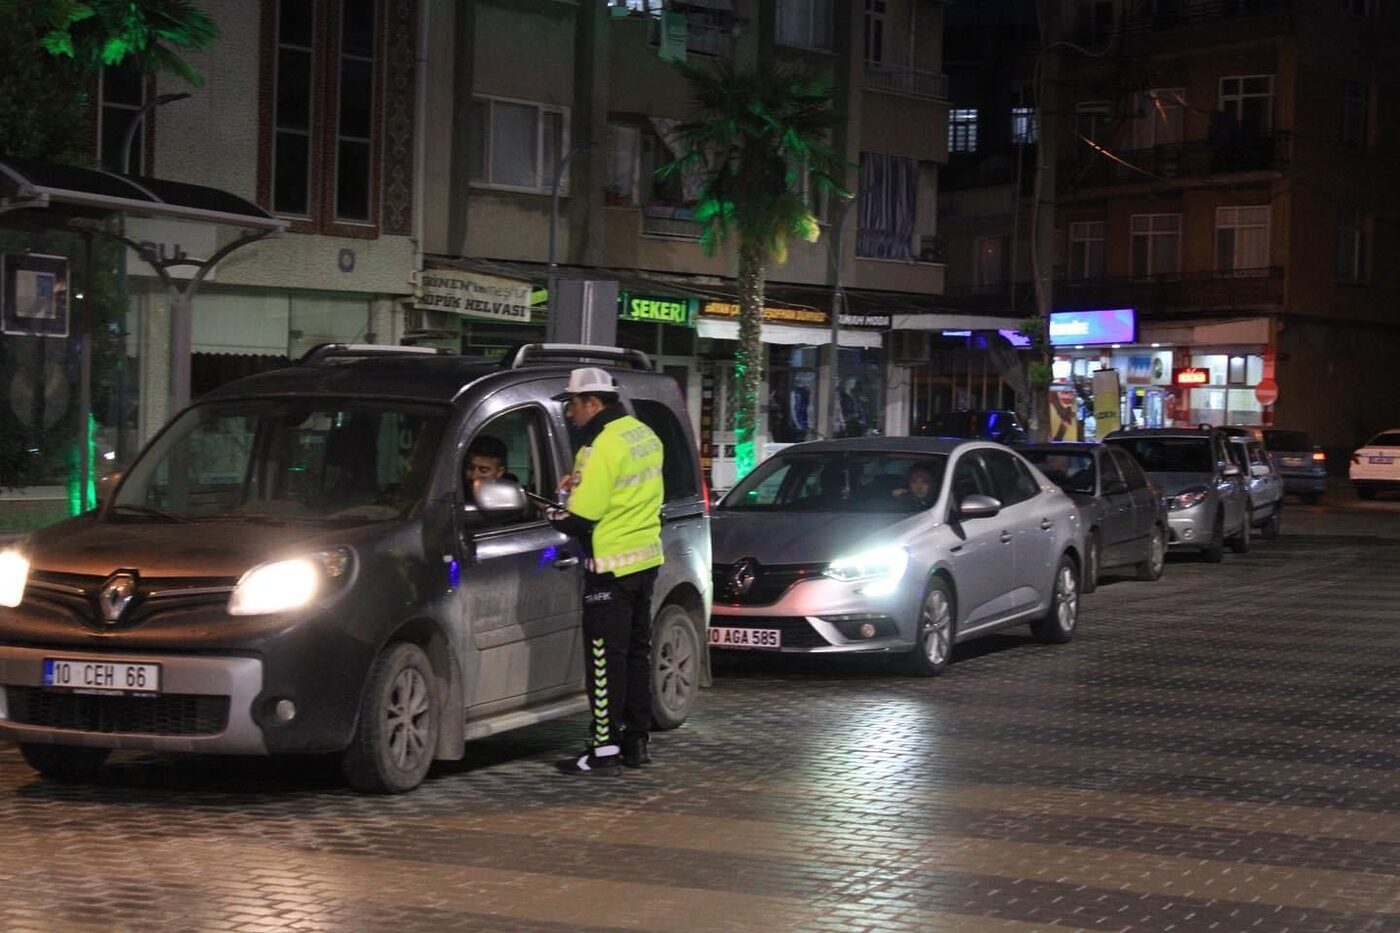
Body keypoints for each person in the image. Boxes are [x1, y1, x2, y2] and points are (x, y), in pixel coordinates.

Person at [546, 367, 665, 776]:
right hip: (644, 561)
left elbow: (580, 518)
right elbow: (622, 491)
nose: (569, 414)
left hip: (609, 569)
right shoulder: (643, 434)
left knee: (603, 660)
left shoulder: (600, 446)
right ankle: (636, 744)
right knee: (636, 656)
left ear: (592, 403)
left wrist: (549, 511)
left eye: (572, 405)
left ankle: (602, 751)